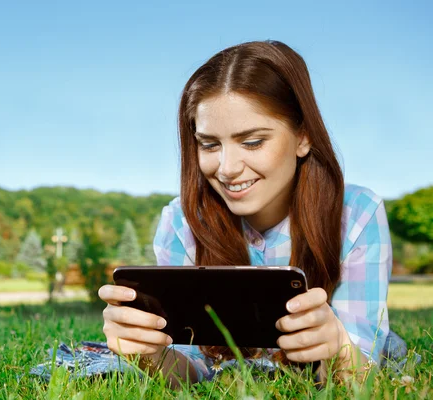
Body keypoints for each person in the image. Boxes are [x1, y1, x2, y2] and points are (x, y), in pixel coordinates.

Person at [98, 40, 396, 385]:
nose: (226, 168)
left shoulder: (357, 214)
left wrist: (338, 347)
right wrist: (151, 354)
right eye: (209, 144)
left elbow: (364, 374)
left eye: (252, 142)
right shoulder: (181, 222)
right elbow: (193, 374)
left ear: (303, 135)